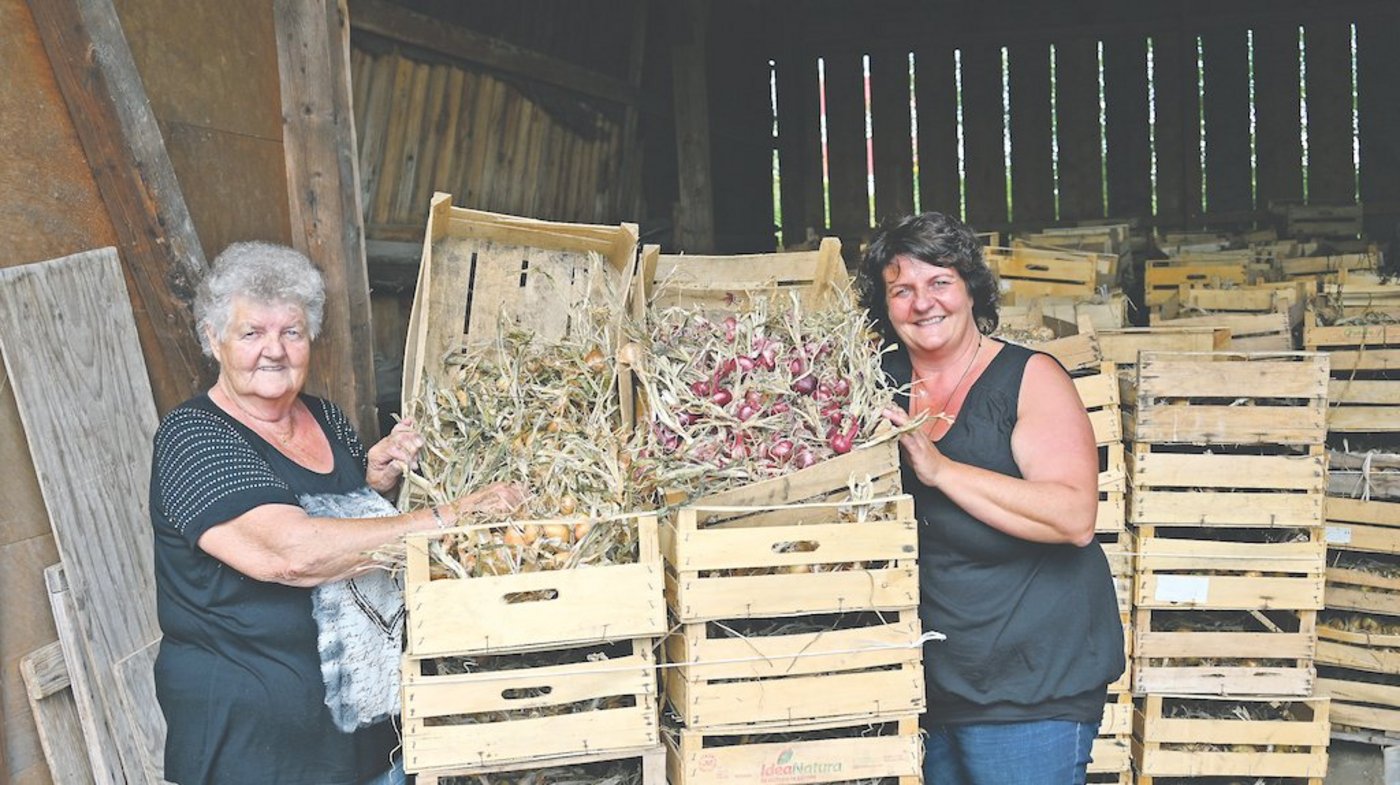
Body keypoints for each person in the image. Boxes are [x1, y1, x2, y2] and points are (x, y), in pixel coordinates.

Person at [149, 241, 524, 785]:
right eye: (252, 333)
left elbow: (343, 524)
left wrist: (373, 482)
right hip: (258, 752)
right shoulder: (195, 437)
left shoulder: (326, 418)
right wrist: (452, 517)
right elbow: (294, 554)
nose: (273, 350)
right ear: (214, 339)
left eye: (291, 332)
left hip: (369, 743)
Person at [858, 213, 1124, 785]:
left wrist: (941, 468)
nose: (923, 303)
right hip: (924, 683)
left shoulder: (1029, 377)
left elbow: (1074, 517)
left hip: (1030, 680)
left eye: (940, 283)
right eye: (901, 289)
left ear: (972, 290)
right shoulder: (874, 382)